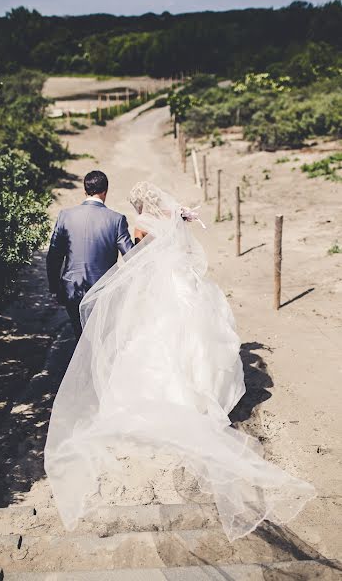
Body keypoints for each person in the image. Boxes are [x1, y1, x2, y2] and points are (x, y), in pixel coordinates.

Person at [45, 181, 315, 541]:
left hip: (156, 291)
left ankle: (160, 401)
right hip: (180, 286)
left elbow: (137, 258)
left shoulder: (140, 223)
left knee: (150, 342)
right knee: (188, 340)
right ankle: (197, 398)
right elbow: (184, 255)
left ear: (140, 203)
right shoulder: (172, 220)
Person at [46, 170, 134, 339]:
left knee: (81, 338)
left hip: (72, 289)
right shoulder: (116, 219)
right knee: (101, 340)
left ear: (84, 191)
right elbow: (131, 256)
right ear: (105, 191)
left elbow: (54, 256)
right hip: (103, 292)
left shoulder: (65, 216)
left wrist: (54, 289)